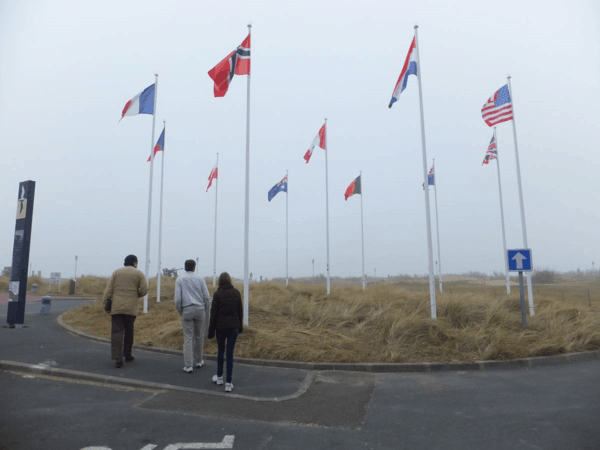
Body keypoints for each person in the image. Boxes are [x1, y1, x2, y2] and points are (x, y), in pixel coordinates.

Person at [102, 255, 148, 368]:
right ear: (135, 263)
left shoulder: (116, 273)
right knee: (129, 332)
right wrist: (136, 295)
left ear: (125, 262)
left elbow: (109, 289)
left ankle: (118, 358)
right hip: (131, 308)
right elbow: (144, 289)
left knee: (117, 333)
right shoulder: (139, 274)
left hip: (116, 307)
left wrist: (105, 302)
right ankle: (128, 355)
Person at [208, 272, 243, 392]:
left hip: (220, 328)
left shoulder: (217, 294)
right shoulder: (236, 293)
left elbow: (213, 315)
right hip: (233, 328)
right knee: (230, 354)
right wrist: (240, 328)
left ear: (219, 281)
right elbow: (240, 312)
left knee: (221, 351)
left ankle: (219, 377)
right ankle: (228, 383)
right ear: (230, 280)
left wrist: (210, 331)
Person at [175, 259, 211, 373]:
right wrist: (205, 309)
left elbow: (178, 299)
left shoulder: (180, 279)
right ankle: (199, 361)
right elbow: (206, 296)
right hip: (200, 309)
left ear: (185, 267)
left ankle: (189, 365)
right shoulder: (200, 279)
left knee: (188, 338)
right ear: (194, 267)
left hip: (187, 309)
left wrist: (181, 310)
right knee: (199, 337)